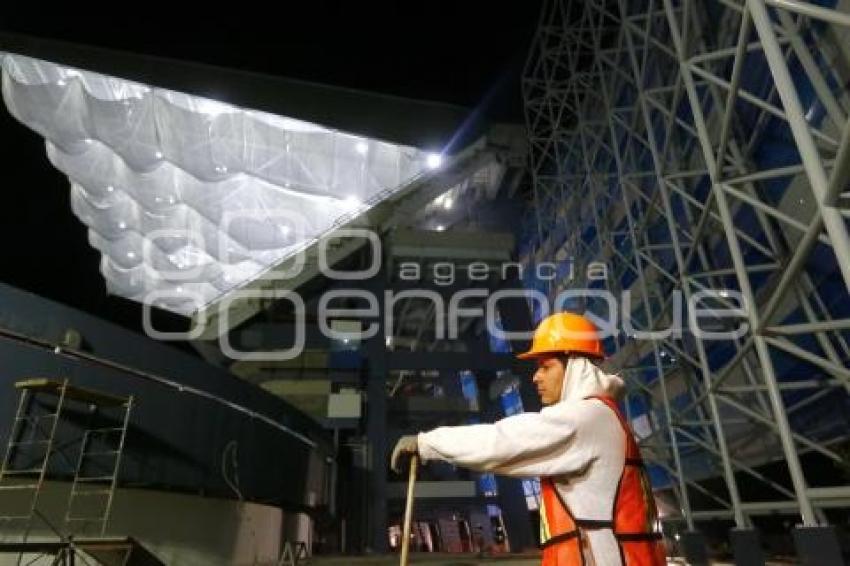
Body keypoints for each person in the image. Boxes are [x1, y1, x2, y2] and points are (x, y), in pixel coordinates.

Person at [391, 312, 666, 565]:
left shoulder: (587, 418)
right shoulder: (600, 415)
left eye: (545, 367)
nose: (535, 377)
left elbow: (501, 442)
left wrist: (427, 443)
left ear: (573, 366)